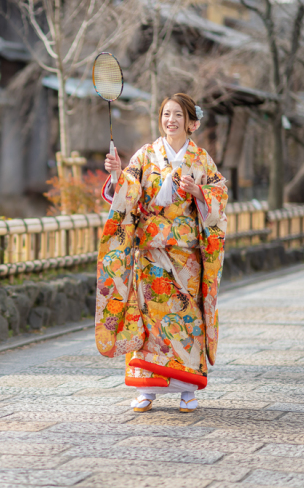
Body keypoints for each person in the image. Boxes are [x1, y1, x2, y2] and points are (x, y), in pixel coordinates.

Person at [95, 93, 227, 413]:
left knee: (187, 318)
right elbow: (130, 191)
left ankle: (187, 390)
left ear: (191, 122)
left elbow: (219, 194)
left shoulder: (201, 159)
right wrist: (117, 174)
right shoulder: (145, 155)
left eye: (178, 115)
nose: (171, 120)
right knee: (149, 320)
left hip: (186, 256)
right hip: (151, 253)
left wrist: (199, 192)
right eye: (166, 114)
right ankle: (147, 389)